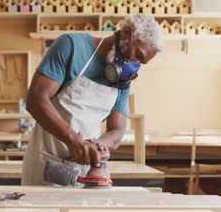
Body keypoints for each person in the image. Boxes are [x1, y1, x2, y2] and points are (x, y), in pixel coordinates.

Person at [22, 14, 162, 186]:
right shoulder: (71, 46)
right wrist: (73, 140)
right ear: (126, 33)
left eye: (142, 62)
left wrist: (96, 147)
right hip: (46, 167)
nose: (135, 64)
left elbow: (117, 131)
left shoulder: (122, 81)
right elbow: (36, 99)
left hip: (85, 173)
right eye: (137, 55)